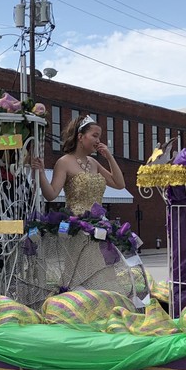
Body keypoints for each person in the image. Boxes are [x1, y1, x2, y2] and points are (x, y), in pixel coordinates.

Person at [31, 113, 147, 303]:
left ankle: (102, 305)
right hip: (77, 228)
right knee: (80, 270)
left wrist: (108, 156)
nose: (98, 140)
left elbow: (119, 184)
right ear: (80, 136)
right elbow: (51, 194)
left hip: (99, 227)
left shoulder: (94, 163)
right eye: (94, 135)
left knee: (99, 269)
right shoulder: (64, 162)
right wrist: (41, 172)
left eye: (99, 137)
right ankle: (80, 306)